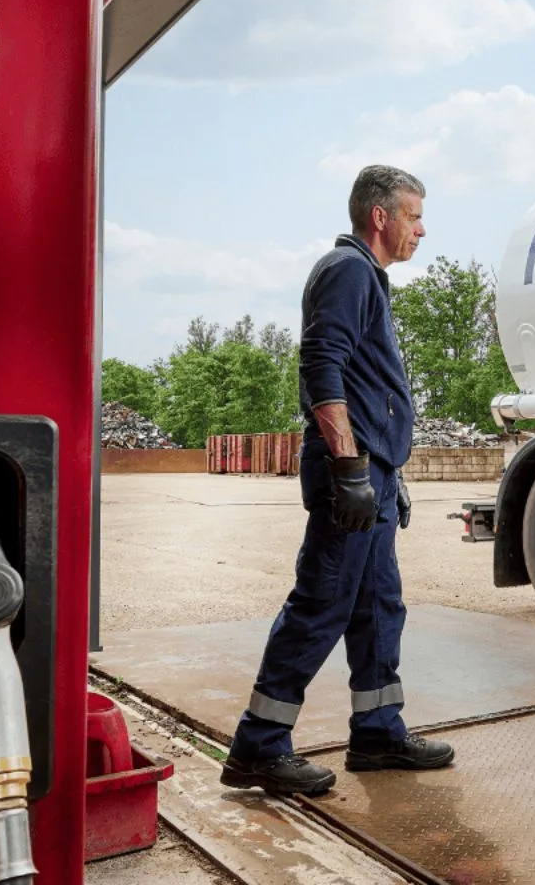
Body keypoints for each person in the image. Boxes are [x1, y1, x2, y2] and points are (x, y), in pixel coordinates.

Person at [220, 164, 454, 796]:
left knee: (378, 607)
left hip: (373, 473)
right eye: (414, 216)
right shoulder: (348, 270)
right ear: (380, 216)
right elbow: (321, 365)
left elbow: (367, 387)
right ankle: (258, 746)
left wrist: (385, 469)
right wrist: (350, 466)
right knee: (322, 602)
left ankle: (377, 734)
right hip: (349, 473)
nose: (421, 230)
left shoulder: (367, 278)